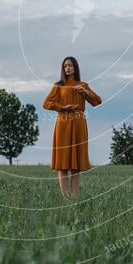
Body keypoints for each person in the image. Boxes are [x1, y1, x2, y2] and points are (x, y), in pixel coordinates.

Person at [42, 56, 102, 200]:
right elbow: (46, 103)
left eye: (70, 65)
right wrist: (62, 107)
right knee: (62, 164)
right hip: (63, 123)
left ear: (75, 67)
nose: (67, 68)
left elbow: (97, 101)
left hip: (79, 124)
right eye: (65, 66)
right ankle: (65, 198)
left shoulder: (83, 85)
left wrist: (85, 92)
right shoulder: (58, 86)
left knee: (76, 165)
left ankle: (74, 199)